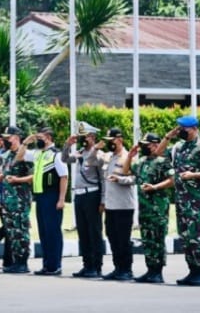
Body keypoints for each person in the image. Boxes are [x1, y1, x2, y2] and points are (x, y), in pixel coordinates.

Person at [158, 115, 200, 286]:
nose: (180, 131)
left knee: (196, 236)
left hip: (196, 201)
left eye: (183, 128)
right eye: (179, 128)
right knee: (185, 236)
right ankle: (192, 271)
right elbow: (159, 152)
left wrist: (194, 175)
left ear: (194, 129)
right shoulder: (178, 147)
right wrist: (168, 137)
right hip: (181, 200)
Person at [122, 133, 174, 284]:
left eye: (147, 144)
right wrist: (130, 156)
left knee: (157, 239)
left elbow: (172, 180)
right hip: (144, 209)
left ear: (156, 144)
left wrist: (155, 187)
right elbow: (126, 171)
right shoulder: (142, 162)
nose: (144, 147)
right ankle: (150, 270)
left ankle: (157, 272)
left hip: (158, 209)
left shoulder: (163, 162)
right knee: (147, 240)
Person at [17, 127, 68, 276]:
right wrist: (26, 142)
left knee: (53, 232)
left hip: (52, 196)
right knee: (44, 232)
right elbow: (19, 157)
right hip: (40, 196)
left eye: (42, 137)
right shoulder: (38, 153)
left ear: (49, 137)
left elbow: (64, 177)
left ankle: (55, 265)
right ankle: (47, 264)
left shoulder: (56, 155)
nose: (39, 139)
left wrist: (61, 199)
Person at [61, 121, 104, 278]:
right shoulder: (80, 152)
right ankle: (87, 265)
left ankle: (96, 266)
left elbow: (103, 180)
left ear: (92, 137)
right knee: (83, 233)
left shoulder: (98, 155)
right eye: (81, 137)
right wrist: (67, 144)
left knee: (94, 232)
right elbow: (64, 158)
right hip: (79, 195)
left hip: (92, 195)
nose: (82, 140)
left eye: (85, 137)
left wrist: (103, 201)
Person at [92, 128, 136, 281]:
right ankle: (118, 268)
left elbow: (135, 178)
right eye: (108, 140)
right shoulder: (109, 157)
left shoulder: (128, 156)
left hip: (124, 206)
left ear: (120, 139)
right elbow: (90, 161)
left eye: (112, 140)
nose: (110, 143)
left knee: (123, 239)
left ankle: (126, 269)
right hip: (110, 205)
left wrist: (120, 179)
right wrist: (96, 147)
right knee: (112, 237)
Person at [0, 126, 29, 273]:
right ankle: (14, 261)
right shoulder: (7, 155)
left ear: (17, 137)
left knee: (20, 231)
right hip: (7, 200)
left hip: (20, 200)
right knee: (11, 232)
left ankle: (22, 262)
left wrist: (18, 179)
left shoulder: (26, 154)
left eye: (8, 137)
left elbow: (34, 176)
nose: (6, 140)